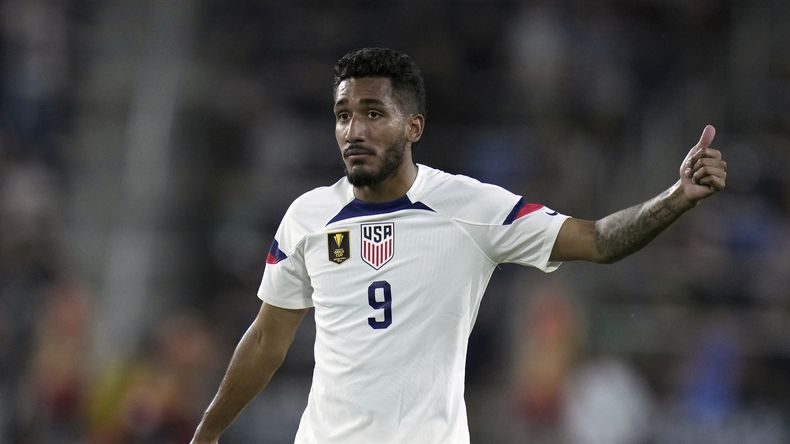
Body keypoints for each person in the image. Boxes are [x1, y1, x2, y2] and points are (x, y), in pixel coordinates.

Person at [190, 47, 727, 444]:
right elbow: (266, 340)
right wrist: (207, 434)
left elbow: (598, 239)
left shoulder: (469, 208)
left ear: (413, 126)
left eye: (374, 113)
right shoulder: (307, 217)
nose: (354, 129)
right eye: (344, 115)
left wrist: (677, 196)